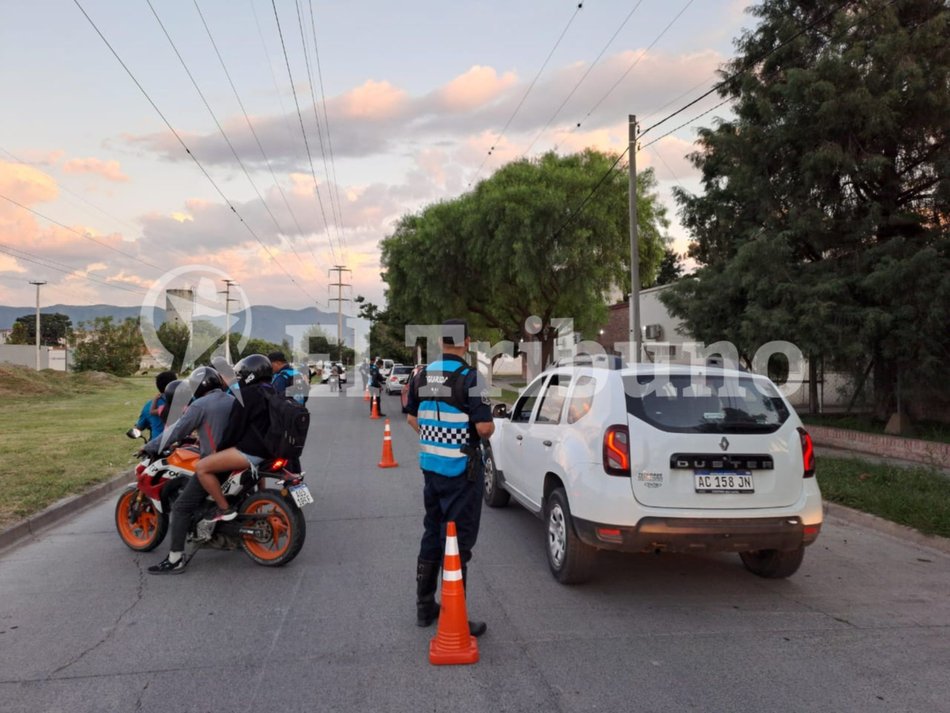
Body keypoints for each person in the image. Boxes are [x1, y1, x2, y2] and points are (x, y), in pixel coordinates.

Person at [404, 318, 494, 637]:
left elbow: (412, 417)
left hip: (431, 467)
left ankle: (424, 607)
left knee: (432, 533)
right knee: (456, 544)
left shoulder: (421, 375)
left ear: (441, 342)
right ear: (466, 342)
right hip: (461, 472)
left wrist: (435, 437)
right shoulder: (471, 378)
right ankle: (454, 614)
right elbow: (484, 428)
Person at [145, 366, 236, 575]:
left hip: (213, 463)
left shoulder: (199, 405)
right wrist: (199, 437)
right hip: (233, 458)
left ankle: (175, 558)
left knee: (180, 507)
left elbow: (176, 431)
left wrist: (149, 446)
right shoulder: (231, 400)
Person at [130, 370, 176, 439]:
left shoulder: (149, 405)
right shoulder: (189, 401)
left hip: (158, 444)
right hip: (184, 444)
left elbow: (139, 427)